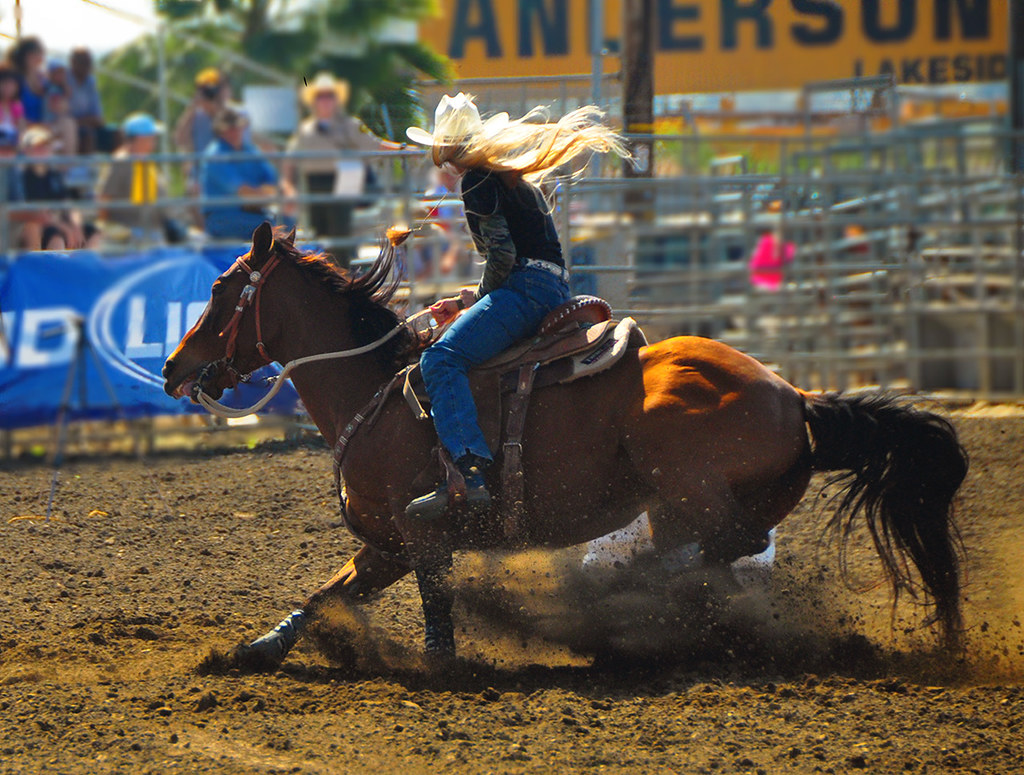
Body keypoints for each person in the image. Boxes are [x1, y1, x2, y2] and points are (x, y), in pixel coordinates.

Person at [403, 93, 629, 520]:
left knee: (441, 358)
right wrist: (471, 298)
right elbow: (515, 258)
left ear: (445, 150)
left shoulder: (477, 182)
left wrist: (483, 296)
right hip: (549, 285)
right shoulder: (507, 176)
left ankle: (469, 473)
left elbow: (503, 258)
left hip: (526, 288)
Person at [284, 72, 398, 264]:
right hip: (315, 188)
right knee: (322, 235)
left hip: (344, 186)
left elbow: (375, 144)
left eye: (329, 96)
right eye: (321, 97)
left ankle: (341, 272)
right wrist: (288, 188)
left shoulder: (350, 125)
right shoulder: (306, 129)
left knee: (338, 234)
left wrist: (403, 149)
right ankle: (334, 271)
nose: (326, 101)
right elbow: (290, 160)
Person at [200, 105, 295, 240]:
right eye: (229, 128)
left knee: (287, 222)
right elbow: (244, 192)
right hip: (223, 218)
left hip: (253, 213)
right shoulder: (216, 155)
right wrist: (276, 196)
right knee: (277, 227)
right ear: (220, 131)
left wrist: (288, 194)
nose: (235, 132)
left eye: (238, 127)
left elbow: (274, 179)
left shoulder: (250, 150)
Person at [96, 113, 180, 244]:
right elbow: (104, 199)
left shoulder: (147, 162)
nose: (154, 141)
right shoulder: (121, 163)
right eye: (152, 137)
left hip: (153, 232)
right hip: (129, 234)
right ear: (141, 138)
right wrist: (106, 229)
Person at [18, 126, 97, 250]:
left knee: (94, 233)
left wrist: (77, 227)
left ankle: (87, 266)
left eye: (46, 146)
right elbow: (38, 213)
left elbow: (68, 204)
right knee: (56, 236)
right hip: (43, 225)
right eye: (38, 147)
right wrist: (66, 229)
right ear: (27, 150)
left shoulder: (55, 175)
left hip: (59, 222)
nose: (43, 150)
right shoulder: (22, 177)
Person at [174, 67, 227, 180]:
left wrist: (215, 110)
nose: (210, 94)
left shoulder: (235, 112)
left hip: (229, 173)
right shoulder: (195, 115)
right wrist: (191, 109)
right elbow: (179, 139)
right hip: (204, 176)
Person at [66, 48, 104, 154]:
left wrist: (82, 121)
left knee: (116, 134)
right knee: (88, 135)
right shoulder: (63, 80)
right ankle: (84, 169)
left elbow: (98, 119)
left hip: (86, 126)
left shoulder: (91, 82)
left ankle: (118, 169)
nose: (87, 66)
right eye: (83, 62)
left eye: (89, 63)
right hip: (69, 129)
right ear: (73, 62)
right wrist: (79, 122)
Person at [7, 37, 46, 124]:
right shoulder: (14, 80)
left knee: (67, 123)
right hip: (22, 127)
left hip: (44, 126)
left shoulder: (43, 78)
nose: (39, 57)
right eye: (35, 54)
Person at [0, 63, 25, 150]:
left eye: (12, 85)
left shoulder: (17, 106)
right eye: (4, 83)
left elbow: (21, 129)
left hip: (11, 150)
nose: (8, 88)